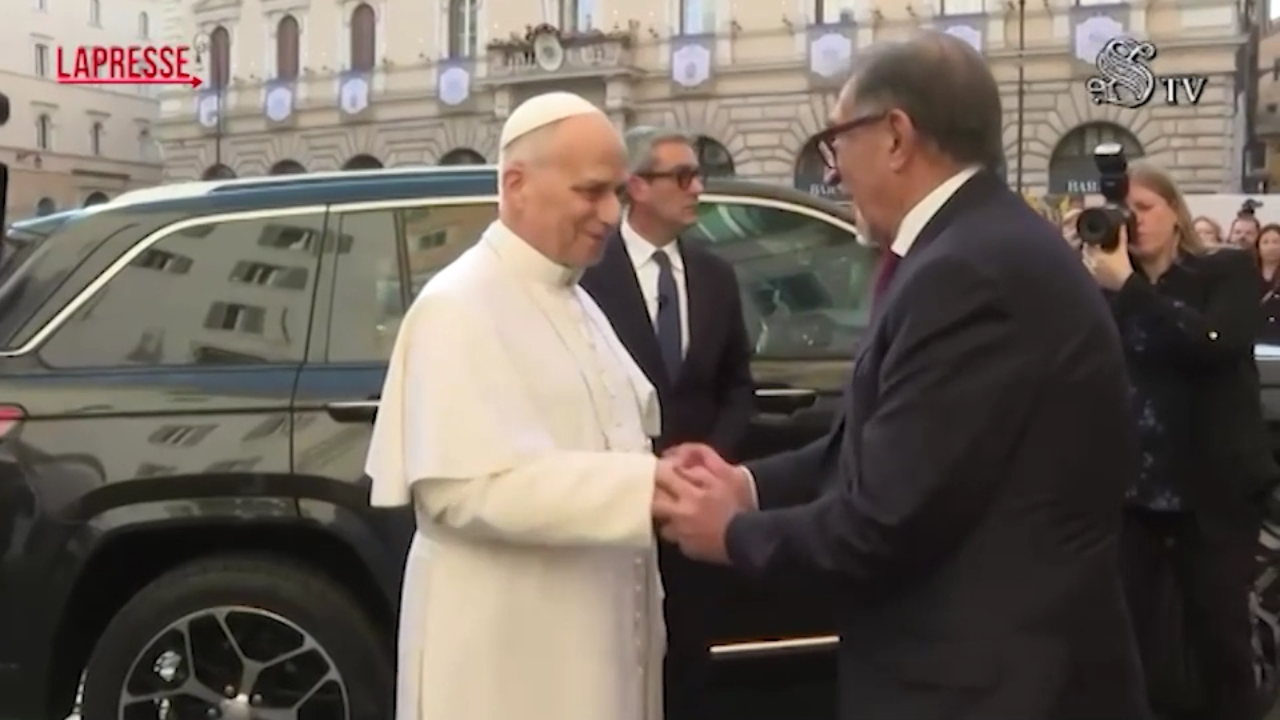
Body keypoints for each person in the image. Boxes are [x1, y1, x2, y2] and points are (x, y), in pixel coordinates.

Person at [651, 31, 1149, 720]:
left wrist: (732, 533)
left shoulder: (968, 272)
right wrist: (748, 482)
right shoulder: (969, 248)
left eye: (836, 142)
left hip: (988, 688)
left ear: (894, 137)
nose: (831, 171)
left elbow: (885, 521)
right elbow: (882, 442)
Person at [365, 91, 688, 720]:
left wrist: (668, 475)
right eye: (591, 192)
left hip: (592, 638)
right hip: (509, 656)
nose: (610, 214)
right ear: (516, 185)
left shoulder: (576, 296)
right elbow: (461, 491)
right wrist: (643, 487)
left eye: (618, 193)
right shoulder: (457, 305)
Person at [1082, 161, 1277, 720]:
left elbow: (1213, 343)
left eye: (1144, 209)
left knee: (1219, 637)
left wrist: (1130, 288)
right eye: (1123, 212)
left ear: (1174, 213)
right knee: (1123, 639)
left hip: (1211, 491)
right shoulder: (1103, 288)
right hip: (1132, 492)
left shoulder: (1225, 272)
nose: (1133, 222)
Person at [581, 125, 754, 720]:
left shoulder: (715, 276)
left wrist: (709, 463)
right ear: (637, 187)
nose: (697, 188)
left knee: (690, 665)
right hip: (617, 506)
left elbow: (737, 386)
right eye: (682, 177)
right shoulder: (588, 275)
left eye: (697, 174)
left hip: (695, 509)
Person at [1259, 224, 1280, 344]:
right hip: (1254, 336)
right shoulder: (1248, 273)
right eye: (1265, 242)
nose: (1271, 247)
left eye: (1276, 242)